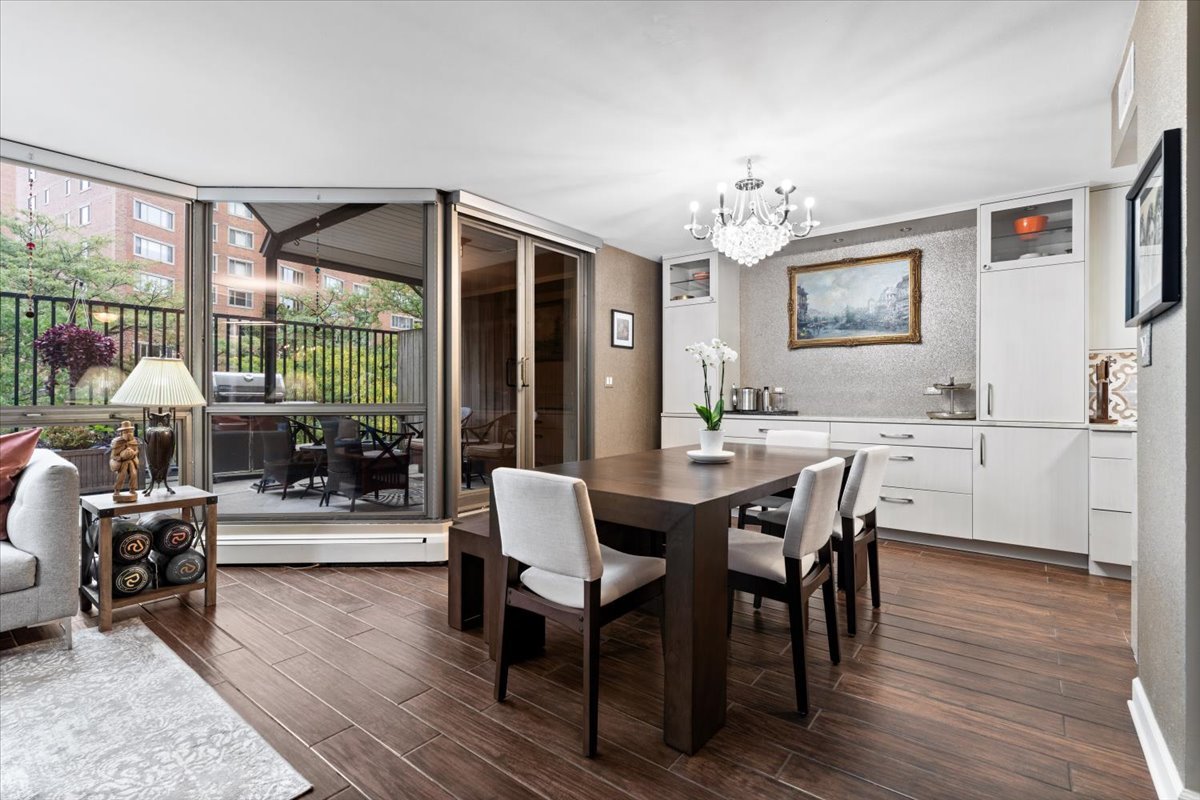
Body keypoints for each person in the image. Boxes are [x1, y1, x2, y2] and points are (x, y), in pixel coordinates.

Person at [110, 420, 139, 499]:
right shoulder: (117, 442)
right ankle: (117, 490)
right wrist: (121, 457)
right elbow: (113, 456)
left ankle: (132, 489)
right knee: (122, 475)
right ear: (122, 433)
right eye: (126, 432)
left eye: (130, 431)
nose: (128, 433)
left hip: (131, 460)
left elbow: (136, 450)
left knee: (133, 473)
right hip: (122, 462)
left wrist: (133, 453)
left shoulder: (133, 441)